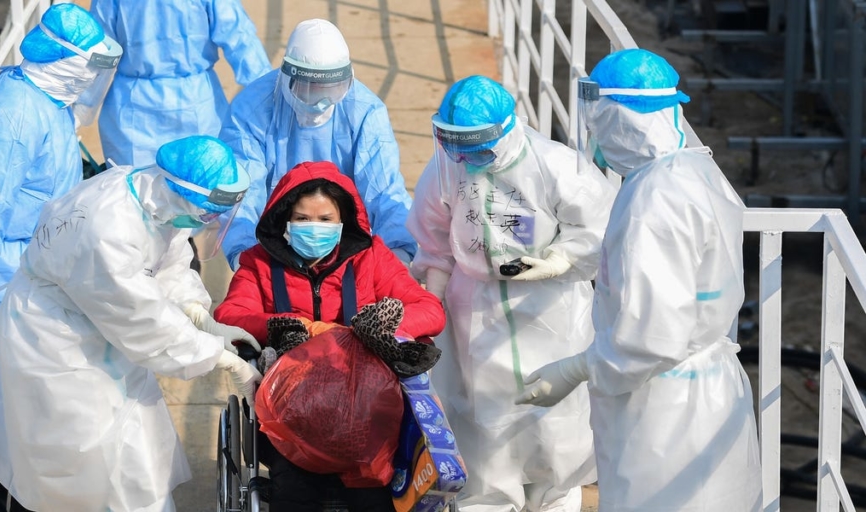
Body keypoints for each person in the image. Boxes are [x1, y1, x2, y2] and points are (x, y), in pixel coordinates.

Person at [516, 49, 763, 511]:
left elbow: (650, 339)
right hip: (709, 385)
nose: (593, 131)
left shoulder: (652, 202)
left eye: (598, 118)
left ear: (617, 118)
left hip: (663, 407)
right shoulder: (694, 170)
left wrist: (575, 369)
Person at [0, 136, 263, 512]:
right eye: (206, 211)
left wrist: (197, 314)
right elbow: (143, 319)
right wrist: (219, 358)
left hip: (102, 331)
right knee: (75, 463)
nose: (207, 221)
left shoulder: (156, 199)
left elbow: (168, 261)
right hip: (57, 343)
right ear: (181, 191)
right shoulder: (108, 228)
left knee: (133, 454)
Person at [0, 4, 121, 510]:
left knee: (20, 413)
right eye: (89, 67)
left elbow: (50, 178)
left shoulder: (46, 100)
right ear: (66, 61)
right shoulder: (15, 115)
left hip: (22, 268)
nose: (91, 79)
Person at [406, 75, 616, 512]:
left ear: (506, 130)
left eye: (477, 146)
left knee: (556, 421)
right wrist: (433, 299)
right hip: (473, 307)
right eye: (456, 145)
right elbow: (433, 238)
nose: (466, 157)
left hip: (550, 307)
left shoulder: (556, 165)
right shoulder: (448, 166)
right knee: (481, 419)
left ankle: (554, 497)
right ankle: (487, 500)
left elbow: (599, 231)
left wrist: (558, 261)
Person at [214, 161, 446, 512]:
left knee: (374, 494)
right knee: (293, 491)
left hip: (366, 410)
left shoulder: (371, 257)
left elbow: (429, 310)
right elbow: (229, 315)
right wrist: (284, 325)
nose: (314, 227)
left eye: (325, 220)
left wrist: (384, 326)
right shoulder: (258, 263)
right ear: (285, 220)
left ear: (343, 222)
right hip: (289, 410)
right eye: (303, 219)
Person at [217, 19, 417, 270]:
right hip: (273, 244)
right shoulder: (252, 110)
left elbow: (383, 190)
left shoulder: (365, 111)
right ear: (287, 76)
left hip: (345, 242)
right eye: (309, 89)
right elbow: (243, 194)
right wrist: (244, 257)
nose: (320, 102)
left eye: (331, 89)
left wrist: (398, 256)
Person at [90, 0, 271, 167]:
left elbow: (98, 48)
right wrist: (267, 98)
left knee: (130, 192)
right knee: (200, 188)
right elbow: (240, 38)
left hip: (132, 109)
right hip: (196, 103)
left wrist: (81, 106)